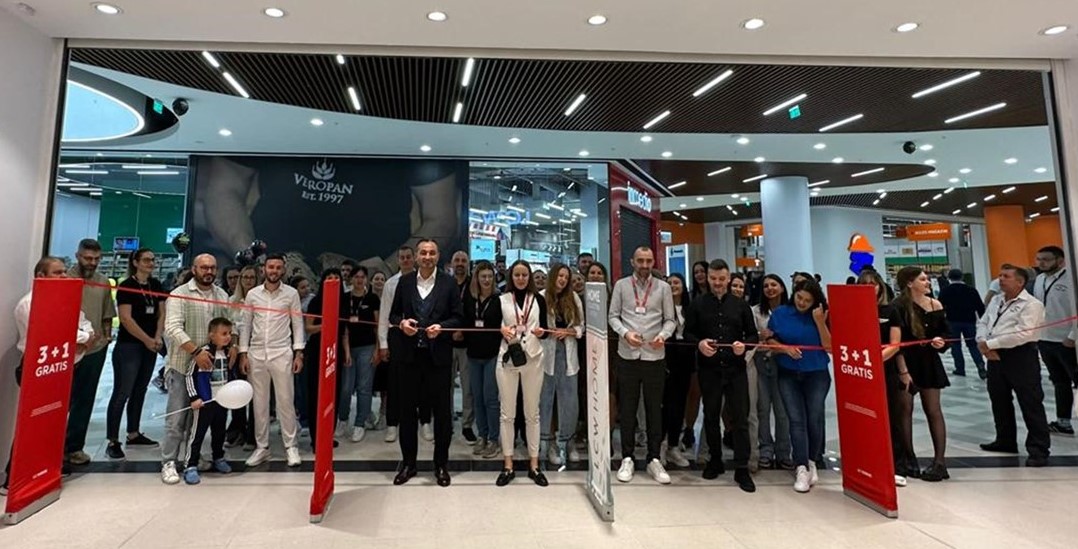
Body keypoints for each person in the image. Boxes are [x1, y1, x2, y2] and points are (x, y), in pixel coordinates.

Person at [3, 257, 94, 494]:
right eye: (57, 273)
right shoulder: (28, 304)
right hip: (36, 370)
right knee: (32, 424)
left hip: (61, 368)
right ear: (41, 276)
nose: (64, 276)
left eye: (64, 272)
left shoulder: (64, 299)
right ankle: (14, 478)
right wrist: (79, 338)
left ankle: (47, 470)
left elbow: (84, 324)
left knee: (54, 421)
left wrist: (82, 337)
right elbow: (53, 332)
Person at [389, 239, 465, 487]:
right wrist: (402, 323)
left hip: (438, 359)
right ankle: (408, 464)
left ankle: (441, 465)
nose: (427, 256)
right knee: (407, 412)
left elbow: (458, 317)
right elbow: (394, 314)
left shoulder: (448, 283)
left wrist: (442, 327)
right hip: (409, 357)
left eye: (432, 253)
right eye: (423, 252)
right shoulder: (405, 282)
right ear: (416, 256)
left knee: (442, 414)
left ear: (438, 256)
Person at [684, 259, 759, 493]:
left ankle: (742, 468)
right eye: (713, 279)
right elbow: (687, 333)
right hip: (709, 369)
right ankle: (715, 460)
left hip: (736, 369)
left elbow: (753, 336)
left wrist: (744, 346)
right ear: (708, 278)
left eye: (721, 279)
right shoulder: (697, 304)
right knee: (710, 416)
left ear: (728, 279)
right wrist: (699, 343)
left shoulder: (741, 305)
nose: (717, 283)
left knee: (740, 418)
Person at [161, 254, 233, 485]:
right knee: (177, 419)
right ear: (194, 269)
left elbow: (229, 325)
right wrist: (196, 352)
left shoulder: (222, 295)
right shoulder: (179, 294)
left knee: (199, 419)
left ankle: (192, 458)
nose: (208, 271)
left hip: (210, 372)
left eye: (212, 267)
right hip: (183, 366)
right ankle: (169, 462)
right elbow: (172, 328)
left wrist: (232, 346)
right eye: (204, 267)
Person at [609, 247, 677, 485]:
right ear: (632, 261)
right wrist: (625, 333)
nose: (645, 265)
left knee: (653, 410)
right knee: (627, 409)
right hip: (627, 355)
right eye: (640, 260)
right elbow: (613, 316)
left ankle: (654, 458)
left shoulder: (663, 288)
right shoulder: (621, 286)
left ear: (653, 262)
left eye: (648, 261)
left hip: (654, 356)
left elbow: (670, 320)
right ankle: (627, 457)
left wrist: (663, 335)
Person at [978, 265, 1051, 466]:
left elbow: (1024, 333)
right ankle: (1005, 440)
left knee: (1030, 402)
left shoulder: (1032, 305)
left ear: (1020, 282)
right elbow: (983, 322)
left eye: (1006, 276)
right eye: (1000, 275)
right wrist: (982, 342)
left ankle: (1038, 449)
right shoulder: (996, 300)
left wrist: (991, 344)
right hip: (994, 355)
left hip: (1021, 355)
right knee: (999, 399)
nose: (1001, 279)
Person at [763, 279, 832, 493]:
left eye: (807, 300)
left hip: (817, 373)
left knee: (814, 418)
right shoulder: (781, 313)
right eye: (799, 298)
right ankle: (801, 466)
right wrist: (785, 349)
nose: (802, 303)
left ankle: (812, 461)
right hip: (788, 373)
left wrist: (820, 322)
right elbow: (769, 340)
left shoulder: (822, 314)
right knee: (796, 420)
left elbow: (829, 346)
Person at [239, 253, 306, 468]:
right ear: (264, 269)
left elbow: (297, 324)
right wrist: (243, 353)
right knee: (259, 404)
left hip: (281, 353)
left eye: (278, 267)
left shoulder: (291, 294)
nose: (274, 271)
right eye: (271, 267)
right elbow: (245, 325)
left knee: (286, 401)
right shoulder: (252, 295)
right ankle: (262, 447)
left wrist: (298, 352)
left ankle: (291, 446)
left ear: (283, 270)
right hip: (256, 354)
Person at [891, 267, 951, 482]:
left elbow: (945, 332)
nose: (927, 282)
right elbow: (896, 342)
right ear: (909, 283)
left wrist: (942, 342)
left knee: (933, 409)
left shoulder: (935, 305)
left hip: (929, 362)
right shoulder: (898, 307)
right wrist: (903, 371)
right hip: (905, 361)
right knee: (904, 410)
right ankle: (908, 458)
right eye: (923, 279)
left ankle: (939, 461)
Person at [105, 247, 165, 460]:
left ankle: (133, 433)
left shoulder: (156, 285)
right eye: (146, 260)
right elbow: (126, 318)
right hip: (129, 346)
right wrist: (147, 339)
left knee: (140, 390)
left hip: (150, 345)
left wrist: (157, 337)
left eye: (153, 259)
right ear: (136, 262)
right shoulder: (127, 286)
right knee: (123, 392)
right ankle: (112, 440)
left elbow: (162, 313)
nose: (151, 263)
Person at [494, 260, 550, 487]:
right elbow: (492, 327)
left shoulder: (538, 300)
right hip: (508, 358)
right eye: (516, 275)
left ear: (529, 277)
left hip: (533, 359)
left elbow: (545, 330)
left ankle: (534, 465)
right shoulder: (501, 300)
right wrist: (501, 329)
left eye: (524, 275)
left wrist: (542, 332)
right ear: (511, 277)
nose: (520, 279)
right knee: (507, 414)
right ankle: (508, 465)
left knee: (532, 414)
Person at [62, 238, 117, 467]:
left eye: (96, 259)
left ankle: (74, 447)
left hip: (94, 350)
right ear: (78, 256)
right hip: (65, 351)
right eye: (87, 258)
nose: (92, 262)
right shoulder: (64, 280)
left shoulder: (103, 282)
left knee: (84, 400)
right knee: (61, 400)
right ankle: (50, 448)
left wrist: (106, 337)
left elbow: (107, 314)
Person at [858, 270, 912, 486]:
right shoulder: (854, 311)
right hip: (860, 372)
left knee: (891, 417)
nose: (869, 288)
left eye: (873, 284)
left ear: (880, 287)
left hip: (884, 370)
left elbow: (895, 344)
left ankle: (897, 466)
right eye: (864, 284)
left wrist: (875, 360)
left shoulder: (891, 311)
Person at [378, 245, 427, 444]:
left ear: (414, 258)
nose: (406, 260)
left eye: (408, 257)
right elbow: (385, 315)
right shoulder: (391, 284)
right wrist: (383, 343)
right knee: (395, 382)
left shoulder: (423, 281)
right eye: (402, 257)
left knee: (423, 380)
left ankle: (425, 421)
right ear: (398, 260)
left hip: (420, 335)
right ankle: (392, 423)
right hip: (397, 335)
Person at [182, 317, 237, 484]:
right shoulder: (204, 353)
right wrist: (194, 397)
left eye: (229, 333)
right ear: (212, 335)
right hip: (205, 403)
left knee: (219, 432)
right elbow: (189, 376)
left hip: (221, 402)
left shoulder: (228, 353)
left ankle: (218, 457)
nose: (228, 337)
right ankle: (190, 465)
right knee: (197, 435)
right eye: (224, 334)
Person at [539, 263, 584, 467]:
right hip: (546, 354)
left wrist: (569, 332)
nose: (563, 280)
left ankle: (568, 441)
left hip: (568, 353)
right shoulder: (541, 297)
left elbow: (581, 326)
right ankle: (548, 443)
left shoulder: (573, 298)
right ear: (553, 276)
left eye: (566, 277)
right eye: (560, 276)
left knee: (570, 401)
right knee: (546, 401)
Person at [1031, 246, 1078, 435]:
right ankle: (1063, 422)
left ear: (1059, 261)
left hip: (1067, 340)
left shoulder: (1071, 279)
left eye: (1046, 259)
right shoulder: (1040, 279)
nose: (1041, 263)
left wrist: (1072, 336)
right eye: (1039, 259)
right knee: (1059, 381)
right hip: (1045, 339)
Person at [750, 274, 794, 471]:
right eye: (766, 285)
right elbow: (751, 335)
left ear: (782, 287)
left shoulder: (790, 311)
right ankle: (766, 450)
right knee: (763, 409)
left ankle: (783, 451)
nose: (770, 288)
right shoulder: (755, 311)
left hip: (783, 364)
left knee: (782, 411)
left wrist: (775, 339)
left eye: (774, 284)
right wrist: (761, 337)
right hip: (760, 363)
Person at [303, 268, 349, 450]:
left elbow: (344, 331)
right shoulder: (315, 301)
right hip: (317, 351)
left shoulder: (344, 302)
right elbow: (309, 327)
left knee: (334, 393)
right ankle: (316, 438)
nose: (333, 280)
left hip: (336, 351)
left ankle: (328, 436)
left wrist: (346, 352)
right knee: (316, 394)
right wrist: (327, 324)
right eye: (329, 278)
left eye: (336, 278)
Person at [463, 261, 503, 459]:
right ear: (476, 278)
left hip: (492, 355)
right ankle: (482, 435)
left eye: (489, 276)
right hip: (473, 354)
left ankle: (494, 439)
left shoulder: (499, 300)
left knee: (490, 398)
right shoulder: (470, 299)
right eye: (483, 276)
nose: (486, 280)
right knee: (477, 397)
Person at [337, 266, 380, 442]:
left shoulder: (372, 298)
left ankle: (360, 423)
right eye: (356, 277)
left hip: (368, 346)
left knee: (364, 387)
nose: (359, 280)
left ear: (366, 279)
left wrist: (378, 349)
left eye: (362, 277)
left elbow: (377, 325)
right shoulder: (344, 298)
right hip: (348, 347)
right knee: (346, 387)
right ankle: (343, 419)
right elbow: (344, 327)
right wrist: (346, 350)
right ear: (351, 279)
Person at [660, 274, 694, 469]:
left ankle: (673, 445)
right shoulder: (660, 307)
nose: (673, 286)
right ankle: (660, 445)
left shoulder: (691, 308)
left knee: (680, 403)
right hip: (666, 357)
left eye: (676, 283)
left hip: (685, 359)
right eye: (670, 283)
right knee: (665, 403)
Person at [448, 250, 477, 444]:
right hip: (446, 342)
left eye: (463, 261)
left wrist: (463, 331)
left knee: (468, 388)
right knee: (446, 386)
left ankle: (467, 425)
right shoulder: (445, 284)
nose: (460, 263)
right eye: (457, 260)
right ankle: (447, 421)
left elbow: (476, 313)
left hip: (468, 344)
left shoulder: (473, 285)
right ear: (451, 263)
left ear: (468, 264)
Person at [938, 268, 987, 380]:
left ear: (949, 278)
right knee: (973, 345)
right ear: (962, 277)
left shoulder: (945, 291)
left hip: (952, 322)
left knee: (955, 345)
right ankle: (980, 365)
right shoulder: (971, 290)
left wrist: (941, 323)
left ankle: (960, 368)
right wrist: (983, 321)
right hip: (969, 321)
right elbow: (980, 306)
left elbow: (940, 307)